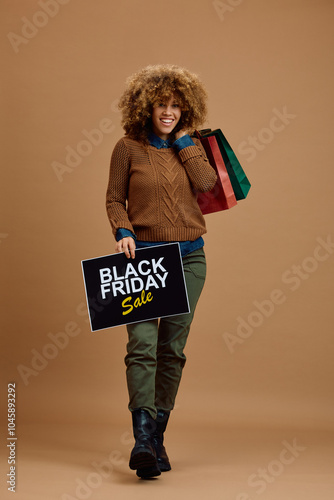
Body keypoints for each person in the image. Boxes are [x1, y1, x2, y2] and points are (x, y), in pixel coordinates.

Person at [106, 64, 217, 479]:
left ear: (185, 108)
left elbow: (206, 183)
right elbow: (115, 199)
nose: (168, 111)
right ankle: (141, 438)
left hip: (189, 258)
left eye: (176, 105)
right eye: (161, 104)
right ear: (145, 106)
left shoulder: (190, 146)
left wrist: (185, 141)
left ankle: (156, 439)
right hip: (144, 260)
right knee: (142, 346)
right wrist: (122, 230)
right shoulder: (128, 147)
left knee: (172, 349)